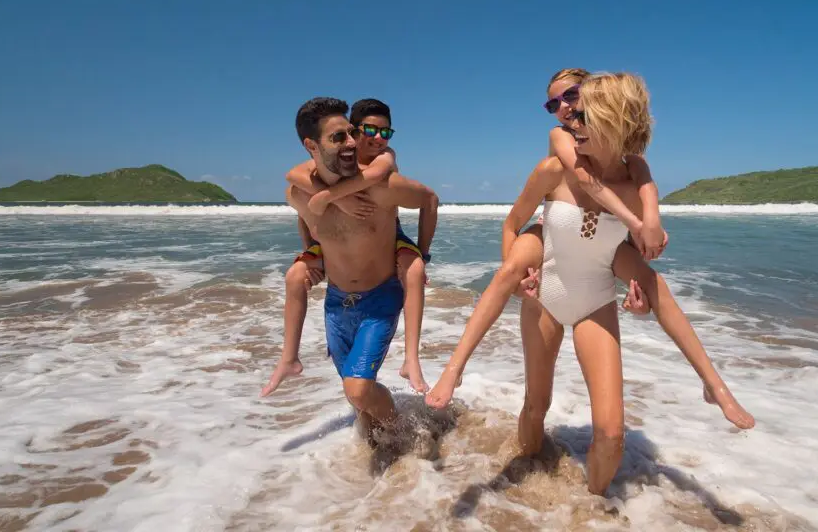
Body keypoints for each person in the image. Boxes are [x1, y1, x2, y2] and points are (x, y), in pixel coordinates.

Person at [426, 72, 754, 496]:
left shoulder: (637, 177)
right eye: (561, 108)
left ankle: (595, 507)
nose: (568, 117)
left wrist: (645, 245)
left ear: (609, 117)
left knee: (613, 432)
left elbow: (643, 201)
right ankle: (466, 390)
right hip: (546, 288)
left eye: (577, 108)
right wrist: (525, 278)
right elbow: (515, 221)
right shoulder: (557, 166)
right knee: (535, 405)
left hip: (595, 295)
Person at [262, 97, 439, 440]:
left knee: (357, 389)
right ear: (311, 146)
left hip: (379, 299)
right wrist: (312, 251)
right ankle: (376, 449)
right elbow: (299, 195)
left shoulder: (382, 186)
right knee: (356, 396)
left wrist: (422, 252)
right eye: (340, 138)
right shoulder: (299, 193)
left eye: (350, 135)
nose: (354, 143)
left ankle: (402, 436)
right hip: (337, 304)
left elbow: (429, 200)